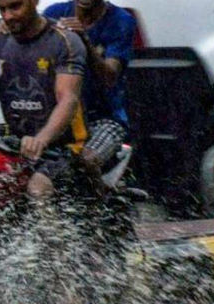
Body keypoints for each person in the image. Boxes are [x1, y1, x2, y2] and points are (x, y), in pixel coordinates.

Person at [0, 0, 87, 200]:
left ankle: (50, 231)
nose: (7, 16)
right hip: (14, 145)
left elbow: (67, 99)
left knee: (37, 190)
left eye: (15, 7)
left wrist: (41, 140)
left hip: (63, 146)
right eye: (2, 9)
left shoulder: (64, 41)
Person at [43, 0, 136, 185]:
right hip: (61, 115)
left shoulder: (121, 21)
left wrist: (83, 41)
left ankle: (97, 207)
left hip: (104, 118)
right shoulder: (54, 13)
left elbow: (110, 77)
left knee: (85, 160)